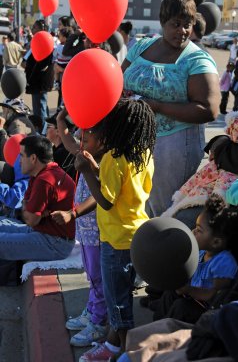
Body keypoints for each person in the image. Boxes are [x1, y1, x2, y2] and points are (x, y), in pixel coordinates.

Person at [122, 0, 220, 217]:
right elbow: (118, 78)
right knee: (138, 207)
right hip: (135, 140)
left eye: (188, 24)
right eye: (176, 24)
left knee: (164, 211)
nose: (183, 31)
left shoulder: (196, 59)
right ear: (163, 22)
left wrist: (157, 106)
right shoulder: (142, 46)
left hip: (173, 146)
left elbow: (210, 109)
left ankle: (161, 252)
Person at [74, 98, 156, 361]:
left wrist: (86, 171)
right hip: (135, 234)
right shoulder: (143, 154)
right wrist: (97, 169)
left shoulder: (114, 156)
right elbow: (120, 189)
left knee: (117, 304)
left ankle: (125, 351)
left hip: (115, 240)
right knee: (121, 295)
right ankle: (113, 346)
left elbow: (107, 201)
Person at [53, 108, 107, 347]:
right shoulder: (86, 151)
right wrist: (61, 118)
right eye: (81, 137)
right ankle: (92, 309)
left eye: (86, 138)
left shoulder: (103, 162)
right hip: (85, 231)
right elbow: (66, 140)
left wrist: (72, 213)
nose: (80, 142)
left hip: (97, 232)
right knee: (91, 274)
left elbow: (99, 197)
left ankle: (99, 321)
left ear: (102, 141)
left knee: (98, 275)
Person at [153, 194, 238, 324]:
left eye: (199, 230)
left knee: (181, 307)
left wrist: (189, 290)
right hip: (192, 298)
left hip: (208, 311)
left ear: (216, 242)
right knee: (170, 293)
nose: (193, 231)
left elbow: (215, 296)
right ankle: (156, 324)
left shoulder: (224, 262)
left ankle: (165, 330)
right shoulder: (201, 253)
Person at [0, 135, 75, 261]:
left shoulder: (45, 180)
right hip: (44, 233)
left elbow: (31, 220)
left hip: (55, 243)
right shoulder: (39, 174)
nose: (19, 161)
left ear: (33, 158)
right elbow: (28, 209)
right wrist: (30, 210)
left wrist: (29, 210)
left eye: (22, 156)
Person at [24, 19, 54, 120]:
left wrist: (31, 78)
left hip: (39, 81)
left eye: (34, 27)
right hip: (35, 82)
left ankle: (42, 130)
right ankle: (42, 127)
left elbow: (42, 64)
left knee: (40, 107)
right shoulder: (35, 41)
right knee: (40, 106)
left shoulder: (45, 41)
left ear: (41, 29)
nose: (32, 30)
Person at [0, 97, 36, 161]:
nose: (2, 113)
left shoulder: (17, 124)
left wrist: (1, 129)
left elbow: (12, 150)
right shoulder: (20, 120)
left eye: (4, 110)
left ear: (9, 111)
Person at [45, 113, 76, 179]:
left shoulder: (62, 153)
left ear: (58, 131)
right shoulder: (55, 149)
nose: (46, 130)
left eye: (48, 127)